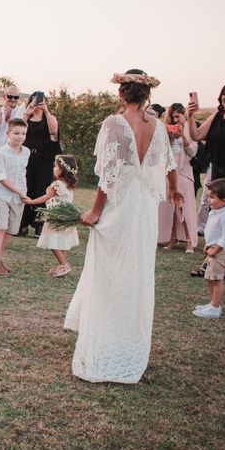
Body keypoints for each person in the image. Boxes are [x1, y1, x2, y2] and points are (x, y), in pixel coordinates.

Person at [64, 69, 182, 384]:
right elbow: (169, 165)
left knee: (109, 274)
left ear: (121, 94)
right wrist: (175, 191)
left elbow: (108, 175)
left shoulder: (113, 124)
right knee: (137, 274)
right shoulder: (157, 126)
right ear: (147, 97)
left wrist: (94, 211)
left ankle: (105, 344)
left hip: (119, 208)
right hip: (144, 212)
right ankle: (130, 343)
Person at [187, 82, 225, 278]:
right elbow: (196, 135)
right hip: (217, 173)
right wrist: (190, 116)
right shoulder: (217, 115)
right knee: (215, 218)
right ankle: (212, 262)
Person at [23, 155, 80, 277]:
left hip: (56, 218)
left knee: (52, 242)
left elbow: (46, 197)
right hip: (65, 218)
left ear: (62, 169)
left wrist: (30, 202)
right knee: (60, 242)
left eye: (56, 166)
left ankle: (64, 265)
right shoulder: (69, 185)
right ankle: (62, 267)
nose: (53, 168)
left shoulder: (57, 184)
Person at [0, 118, 30, 276]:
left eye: (23, 134)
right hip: (3, 195)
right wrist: (19, 192)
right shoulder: (1, 153)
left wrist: (22, 193)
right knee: (1, 227)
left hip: (19, 197)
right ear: (8, 133)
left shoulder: (26, 152)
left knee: (10, 230)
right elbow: (2, 178)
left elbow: (23, 174)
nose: (20, 136)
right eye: (16, 133)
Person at [17, 91, 61, 238]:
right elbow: (17, 129)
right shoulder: (26, 117)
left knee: (41, 190)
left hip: (43, 160)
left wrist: (46, 111)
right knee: (25, 189)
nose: (37, 103)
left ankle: (39, 225)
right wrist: (27, 112)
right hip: (26, 158)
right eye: (34, 100)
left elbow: (53, 131)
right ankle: (21, 224)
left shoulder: (49, 117)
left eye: (40, 101)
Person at [192, 179, 225, 319]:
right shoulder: (215, 211)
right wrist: (207, 244)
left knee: (216, 280)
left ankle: (215, 309)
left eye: (212, 197)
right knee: (209, 278)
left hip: (221, 253)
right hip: (213, 250)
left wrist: (215, 250)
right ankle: (213, 304)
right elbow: (212, 231)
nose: (208, 200)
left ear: (223, 201)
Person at [157, 103, 198, 252]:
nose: (175, 120)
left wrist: (183, 138)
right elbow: (161, 151)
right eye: (173, 117)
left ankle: (188, 240)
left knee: (184, 207)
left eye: (178, 117)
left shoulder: (189, 128)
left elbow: (193, 152)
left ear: (184, 115)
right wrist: (171, 138)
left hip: (184, 171)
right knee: (170, 208)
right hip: (169, 171)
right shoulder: (167, 129)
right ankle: (171, 237)